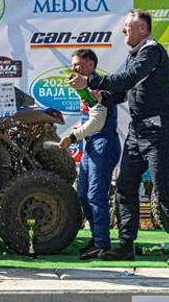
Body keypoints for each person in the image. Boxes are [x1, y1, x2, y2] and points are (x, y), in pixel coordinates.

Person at [69, 9, 169, 266]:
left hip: (158, 130)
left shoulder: (151, 50)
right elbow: (123, 91)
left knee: (163, 189)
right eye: (124, 26)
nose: (124, 30)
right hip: (137, 131)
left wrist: (92, 79)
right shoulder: (135, 53)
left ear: (143, 30)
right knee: (124, 187)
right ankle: (126, 244)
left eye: (128, 26)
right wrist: (102, 95)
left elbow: (128, 78)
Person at [60, 49, 121, 260]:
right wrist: (73, 133)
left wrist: (73, 136)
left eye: (78, 64)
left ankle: (102, 243)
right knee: (83, 194)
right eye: (73, 65)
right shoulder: (82, 88)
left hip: (104, 144)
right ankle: (97, 238)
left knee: (96, 195)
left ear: (91, 65)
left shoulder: (97, 84)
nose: (74, 69)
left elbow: (98, 121)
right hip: (91, 145)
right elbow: (87, 119)